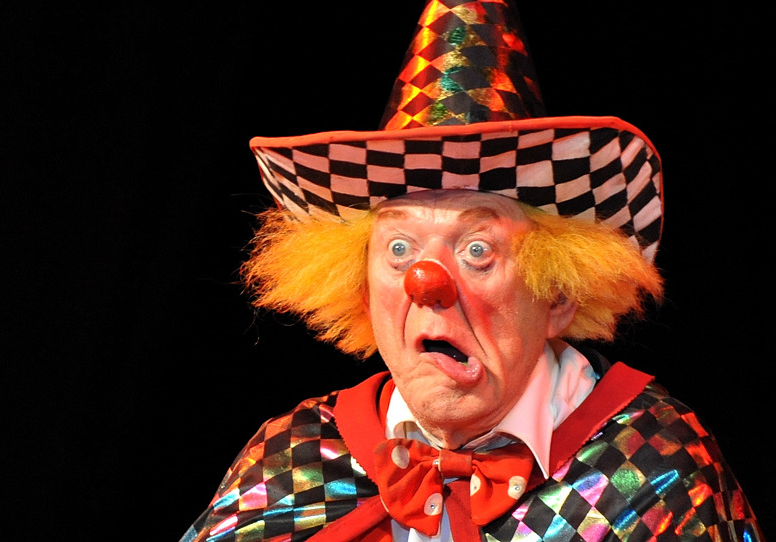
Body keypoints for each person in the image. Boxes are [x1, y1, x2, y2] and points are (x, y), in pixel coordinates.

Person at [180, 1, 763, 540]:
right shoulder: (294, 461)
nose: (426, 283)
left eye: (477, 250)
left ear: (557, 296)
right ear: (361, 290)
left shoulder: (652, 466)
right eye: (400, 249)